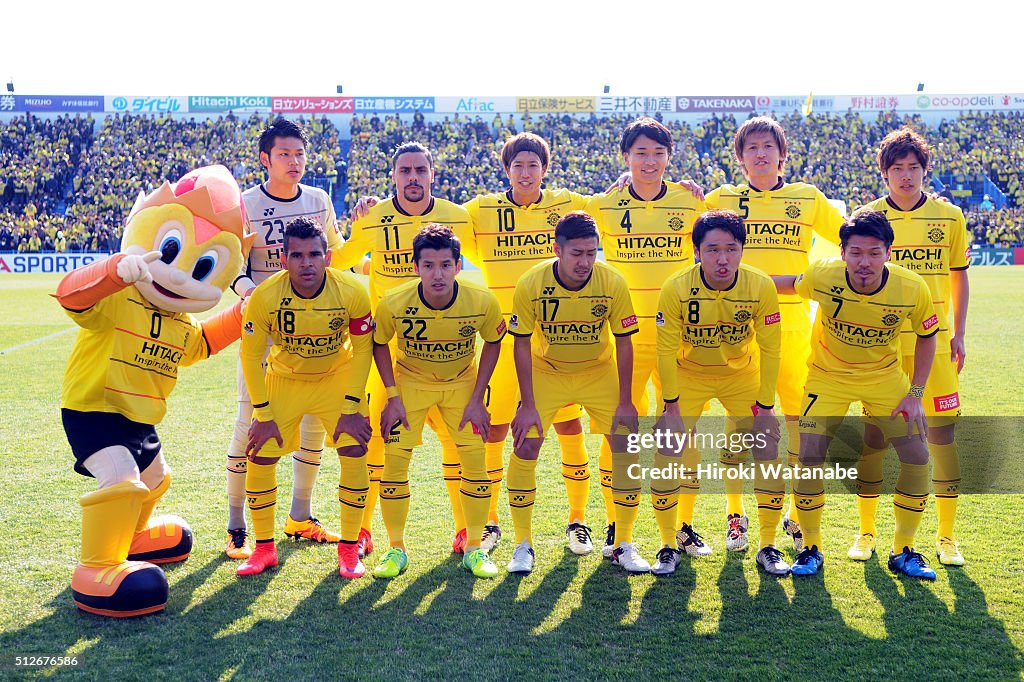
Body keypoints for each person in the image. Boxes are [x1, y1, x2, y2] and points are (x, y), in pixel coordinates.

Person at [57, 166, 250, 616]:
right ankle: (97, 567)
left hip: (141, 415)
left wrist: (244, 313)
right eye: (172, 251)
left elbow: (198, 345)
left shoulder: (180, 321)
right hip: (95, 407)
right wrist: (111, 272)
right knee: (122, 478)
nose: (182, 275)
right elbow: (71, 296)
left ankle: (134, 537)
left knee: (155, 479)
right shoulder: (119, 294)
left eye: (202, 267)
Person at [703, 116, 845, 554]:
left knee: (798, 423)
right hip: (734, 328)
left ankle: (796, 514)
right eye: (752, 148)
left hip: (792, 327)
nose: (760, 154)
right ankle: (734, 514)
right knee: (739, 425)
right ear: (740, 158)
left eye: (768, 146)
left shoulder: (806, 198)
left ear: (782, 154)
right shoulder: (720, 198)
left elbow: (855, 234)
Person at [773, 209, 940, 580]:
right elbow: (785, 283)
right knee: (809, 453)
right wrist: (736, 282)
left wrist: (915, 393)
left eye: (874, 252)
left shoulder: (912, 288)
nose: (865, 262)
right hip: (827, 377)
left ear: (889, 253)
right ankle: (811, 547)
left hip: (884, 378)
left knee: (917, 455)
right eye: (856, 253)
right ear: (843, 252)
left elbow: (928, 336)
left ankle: (904, 550)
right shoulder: (823, 274)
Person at [335, 142, 473, 559]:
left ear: (433, 174)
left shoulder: (458, 217)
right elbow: (338, 257)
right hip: (386, 352)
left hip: (446, 349)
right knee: (377, 440)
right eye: (404, 171)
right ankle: (362, 532)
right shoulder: (373, 217)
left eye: (420, 170)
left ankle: (467, 530)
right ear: (392, 177)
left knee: (455, 440)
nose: (412, 178)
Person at [224, 118, 345, 560]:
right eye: (283, 155)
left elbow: (338, 252)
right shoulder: (244, 204)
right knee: (250, 423)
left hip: (315, 330)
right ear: (265, 159)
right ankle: (237, 524)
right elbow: (233, 267)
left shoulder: (318, 200)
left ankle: (300, 515)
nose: (293, 162)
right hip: (265, 330)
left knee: (313, 422)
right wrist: (249, 291)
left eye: (299, 154)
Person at [586, 116, 708, 558]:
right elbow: (550, 212)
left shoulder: (691, 201)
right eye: (640, 153)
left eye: (658, 153)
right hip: (625, 337)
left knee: (683, 434)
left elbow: (726, 230)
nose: (649, 161)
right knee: (619, 431)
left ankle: (684, 527)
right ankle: (615, 527)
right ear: (626, 158)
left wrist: (696, 189)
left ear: (669, 158)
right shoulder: (606, 203)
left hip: (681, 336)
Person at [858, 127, 970, 566]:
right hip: (882, 349)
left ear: (926, 171)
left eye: (914, 168)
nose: (906, 176)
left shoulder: (949, 216)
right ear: (884, 174)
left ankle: (946, 537)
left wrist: (958, 332)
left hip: (935, 345)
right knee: (874, 442)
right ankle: (866, 531)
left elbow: (960, 274)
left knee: (941, 439)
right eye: (897, 169)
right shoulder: (868, 216)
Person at [237, 217, 374, 578]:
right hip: (286, 379)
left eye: (314, 254)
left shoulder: (352, 291)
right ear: (283, 260)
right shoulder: (265, 297)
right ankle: (264, 549)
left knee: (355, 448)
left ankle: (348, 550)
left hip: (337, 377)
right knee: (260, 454)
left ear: (328, 257)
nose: (307, 263)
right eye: (297, 256)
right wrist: (263, 415)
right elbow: (250, 356)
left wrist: (350, 408)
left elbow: (363, 352)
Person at [506, 211, 641, 574]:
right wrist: (527, 404)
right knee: (527, 443)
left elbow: (625, 343)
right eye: (577, 253)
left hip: (598, 371)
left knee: (626, 443)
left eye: (592, 253)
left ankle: (623, 542)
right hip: (547, 372)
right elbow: (519, 344)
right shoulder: (531, 283)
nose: (585, 262)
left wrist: (627, 401)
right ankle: (522, 545)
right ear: (557, 250)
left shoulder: (612, 281)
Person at [370, 224, 505, 579]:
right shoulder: (394, 302)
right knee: (395, 466)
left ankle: (474, 548)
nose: (437, 274)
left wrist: (478, 397)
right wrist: (393, 397)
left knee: (475, 465)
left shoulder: (481, 301)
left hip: (461, 385)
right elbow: (379, 342)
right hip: (410, 385)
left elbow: (494, 341)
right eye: (428, 265)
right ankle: (395, 549)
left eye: (446, 264)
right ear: (415, 267)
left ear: (458, 265)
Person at [654, 210, 783, 575]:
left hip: (742, 376)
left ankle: (768, 545)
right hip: (688, 375)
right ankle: (668, 543)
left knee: (767, 448)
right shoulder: (676, 287)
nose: (722, 258)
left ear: (743, 250)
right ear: (696, 251)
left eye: (731, 248)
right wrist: (671, 406)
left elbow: (771, 348)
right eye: (712, 250)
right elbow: (665, 349)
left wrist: (766, 407)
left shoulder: (760, 286)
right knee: (668, 448)